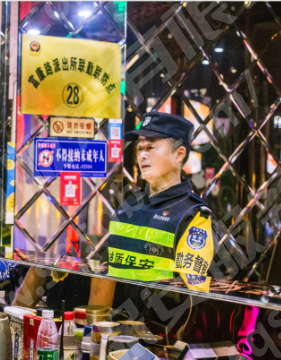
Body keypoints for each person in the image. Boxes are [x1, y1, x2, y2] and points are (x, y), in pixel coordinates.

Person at [13, 112, 217, 311]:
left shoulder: (194, 215)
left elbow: (191, 298)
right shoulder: (129, 206)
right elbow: (106, 270)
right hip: (111, 321)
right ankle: (11, 319)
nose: (142, 155)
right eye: (140, 148)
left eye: (151, 147)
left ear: (179, 154)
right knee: (43, 266)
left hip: (153, 323)